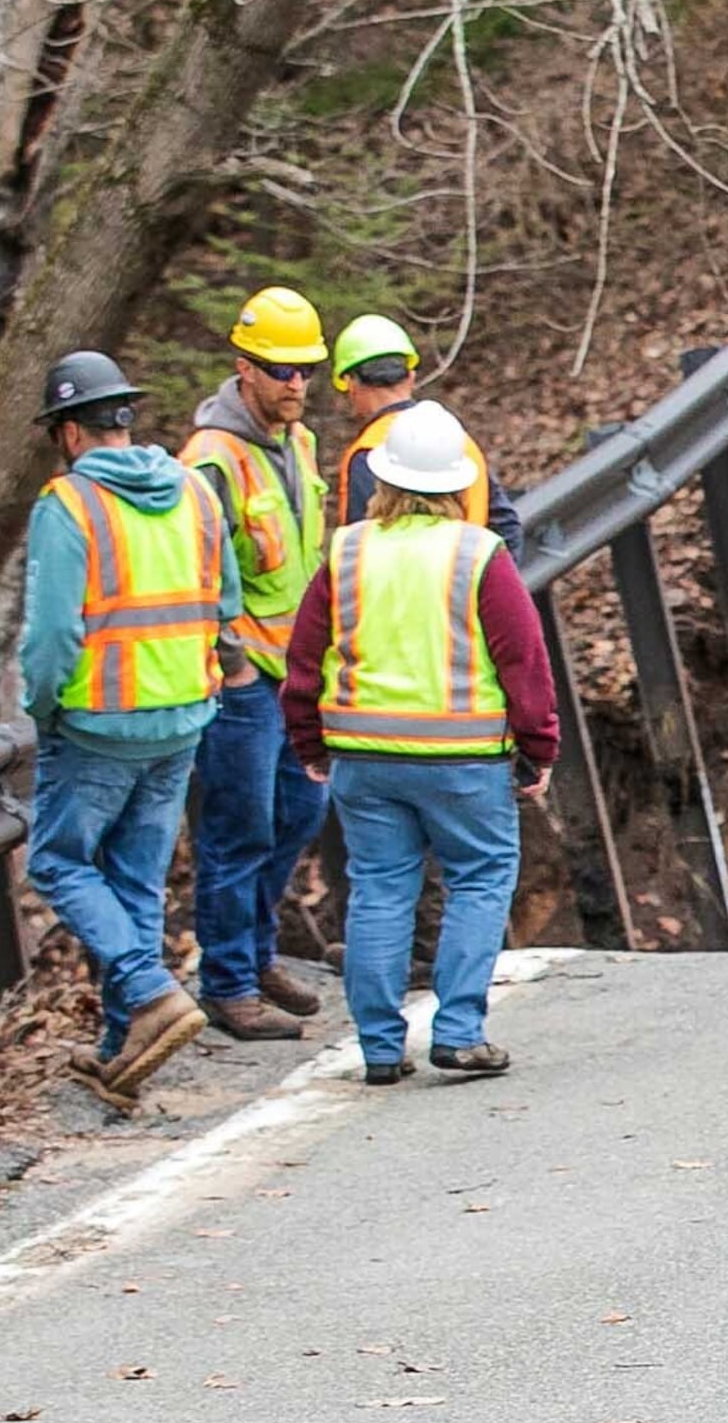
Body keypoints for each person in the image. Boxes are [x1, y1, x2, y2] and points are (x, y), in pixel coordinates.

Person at [277, 402, 562, 1085]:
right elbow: (522, 658)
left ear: (383, 480)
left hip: (366, 758)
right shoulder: (478, 554)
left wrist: (309, 742)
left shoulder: (345, 551)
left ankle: (379, 1046)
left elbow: (305, 658)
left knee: (377, 888)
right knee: (481, 878)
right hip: (463, 759)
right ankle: (459, 1031)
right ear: (458, 485)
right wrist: (539, 747)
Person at [17, 349, 225, 1105]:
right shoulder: (195, 492)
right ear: (124, 419)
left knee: (59, 865)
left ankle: (148, 990)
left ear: (70, 432)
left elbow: (48, 641)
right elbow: (224, 600)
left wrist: (43, 708)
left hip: (98, 722)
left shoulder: (68, 506)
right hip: (181, 717)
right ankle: (121, 1044)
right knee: (134, 878)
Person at [181, 284, 334, 1043]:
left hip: (298, 668)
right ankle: (229, 981)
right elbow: (197, 572)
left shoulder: (298, 444)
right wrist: (233, 660)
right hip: (244, 681)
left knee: (301, 812)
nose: (296, 382)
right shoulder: (211, 460)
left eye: (306, 368)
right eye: (281, 370)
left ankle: (258, 951)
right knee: (238, 828)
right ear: (244, 369)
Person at [329, 313, 523, 555]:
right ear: (411, 376)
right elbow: (506, 526)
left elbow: (360, 555)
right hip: (466, 587)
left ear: (350, 383)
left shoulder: (369, 453)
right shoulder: (457, 440)